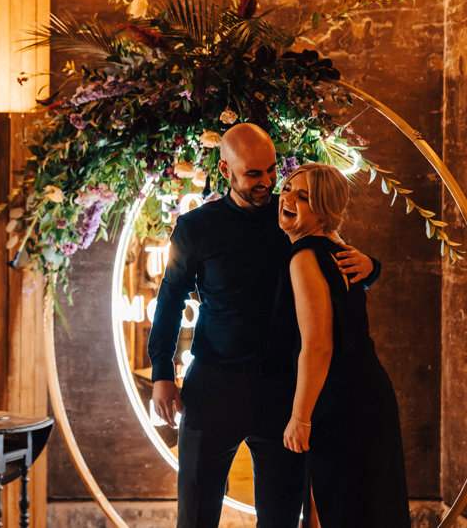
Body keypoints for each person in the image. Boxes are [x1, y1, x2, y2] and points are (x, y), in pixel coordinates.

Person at [148, 123, 377, 528]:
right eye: (254, 173)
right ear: (225, 170)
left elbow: (334, 260)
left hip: (281, 391)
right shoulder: (195, 228)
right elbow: (169, 301)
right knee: (196, 513)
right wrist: (163, 374)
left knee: (282, 517)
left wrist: (372, 268)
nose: (268, 182)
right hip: (213, 387)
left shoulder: (292, 217)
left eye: (272, 171)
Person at [275, 163, 409, 527]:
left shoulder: (304, 255)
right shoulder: (338, 249)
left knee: (334, 511)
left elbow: (318, 345)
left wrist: (300, 418)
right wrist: (373, 267)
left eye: (304, 196)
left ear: (324, 210)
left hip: (338, 401)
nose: (287, 198)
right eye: (288, 188)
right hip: (366, 394)